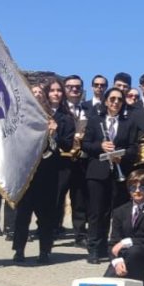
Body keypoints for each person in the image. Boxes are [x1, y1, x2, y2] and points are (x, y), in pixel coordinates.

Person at [12, 79, 74, 264]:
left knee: (46, 215)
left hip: (49, 172)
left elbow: (67, 144)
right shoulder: (29, 114)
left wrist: (55, 132)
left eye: (58, 90)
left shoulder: (65, 118)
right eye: (52, 90)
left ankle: (45, 250)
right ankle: (19, 250)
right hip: (28, 172)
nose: (55, 93)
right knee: (23, 214)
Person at [82, 87, 139, 264]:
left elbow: (134, 148)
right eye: (112, 99)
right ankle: (94, 248)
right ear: (106, 101)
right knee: (96, 212)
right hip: (97, 173)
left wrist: (121, 155)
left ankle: (112, 248)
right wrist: (101, 146)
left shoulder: (129, 123)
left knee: (116, 213)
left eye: (119, 100)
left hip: (119, 172)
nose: (115, 102)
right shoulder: (94, 120)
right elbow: (85, 145)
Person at [60, 76, 90, 246]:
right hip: (63, 161)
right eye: (70, 87)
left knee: (79, 200)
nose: (74, 90)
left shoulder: (88, 109)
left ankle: (79, 234)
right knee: (57, 198)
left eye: (77, 87)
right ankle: (50, 232)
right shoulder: (60, 110)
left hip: (81, 161)